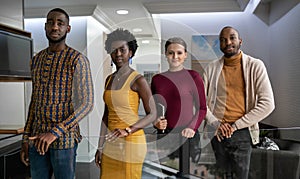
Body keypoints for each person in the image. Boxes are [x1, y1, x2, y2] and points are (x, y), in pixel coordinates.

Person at [20, 8, 94, 179]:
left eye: (60, 23)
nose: (55, 27)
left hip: (64, 140)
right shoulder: (36, 60)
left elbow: (87, 104)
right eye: (51, 22)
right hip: (37, 138)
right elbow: (34, 101)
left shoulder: (77, 60)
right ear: (45, 27)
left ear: (68, 28)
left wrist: (54, 132)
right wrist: (25, 138)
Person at [203, 26, 275, 179]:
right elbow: (202, 103)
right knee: (219, 176)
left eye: (232, 38)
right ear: (220, 45)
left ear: (240, 41)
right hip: (217, 133)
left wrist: (236, 126)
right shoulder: (210, 69)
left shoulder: (256, 66)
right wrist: (216, 124)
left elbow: (268, 103)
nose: (228, 42)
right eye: (223, 40)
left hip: (243, 132)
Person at [94, 28, 156, 179]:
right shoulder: (109, 79)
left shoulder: (138, 80)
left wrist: (128, 130)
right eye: (114, 50)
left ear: (131, 52)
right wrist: (100, 146)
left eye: (123, 49)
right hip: (111, 142)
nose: (118, 54)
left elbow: (153, 114)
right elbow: (106, 116)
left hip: (132, 141)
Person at [151, 37, 207, 164]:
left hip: (188, 135)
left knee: (187, 175)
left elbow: (202, 108)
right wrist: (155, 122)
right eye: (171, 52)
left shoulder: (193, 76)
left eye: (179, 53)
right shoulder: (157, 79)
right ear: (166, 54)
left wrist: (192, 127)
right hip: (164, 136)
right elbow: (153, 110)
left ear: (185, 55)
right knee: (165, 175)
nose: (175, 56)